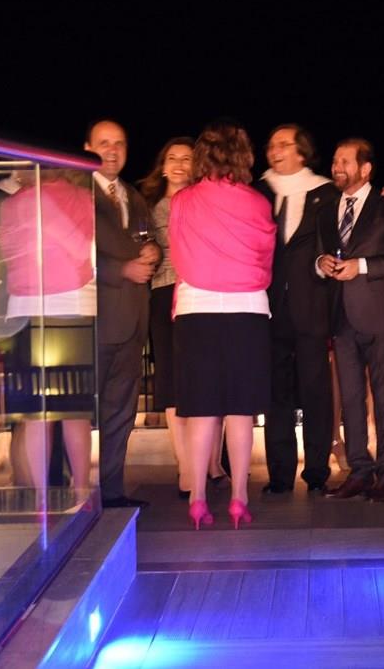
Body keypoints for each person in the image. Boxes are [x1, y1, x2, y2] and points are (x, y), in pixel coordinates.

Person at [168, 119, 275, 529]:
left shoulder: (183, 200)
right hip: (248, 309)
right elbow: (265, 258)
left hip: (197, 309)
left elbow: (179, 256)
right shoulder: (258, 202)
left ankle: (197, 499)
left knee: (202, 411)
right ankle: (239, 498)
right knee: (240, 411)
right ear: (243, 156)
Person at [317, 138, 384, 501]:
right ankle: (359, 471)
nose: (337, 167)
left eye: (345, 161)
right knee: (350, 398)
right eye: (335, 160)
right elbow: (321, 253)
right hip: (341, 317)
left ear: (365, 168)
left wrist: (360, 266)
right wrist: (320, 263)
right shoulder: (326, 209)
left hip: (382, 316)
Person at [0, 169, 97, 497]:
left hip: (25, 308)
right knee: (74, 409)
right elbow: (83, 249)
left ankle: (42, 497)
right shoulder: (85, 198)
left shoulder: (15, 203)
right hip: (73, 305)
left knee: (36, 412)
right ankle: (81, 490)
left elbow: (5, 254)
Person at [253, 124, 337, 495]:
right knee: (276, 393)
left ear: (302, 151)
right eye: (271, 145)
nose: (275, 150)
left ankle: (317, 471)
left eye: (283, 144)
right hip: (268, 306)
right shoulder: (258, 191)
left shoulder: (325, 192)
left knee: (316, 390)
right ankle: (280, 475)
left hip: (311, 304)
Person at [86, 119, 158, 509]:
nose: (112, 150)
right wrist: (121, 270)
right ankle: (72, 492)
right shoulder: (75, 194)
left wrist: (154, 251)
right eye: (104, 143)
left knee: (121, 413)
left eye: (119, 143)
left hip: (132, 321)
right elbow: (69, 255)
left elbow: (148, 240)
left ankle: (111, 490)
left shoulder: (134, 195)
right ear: (87, 148)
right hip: (93, 322)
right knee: (78, 414)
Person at [138, 136, 206, 499]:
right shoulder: (146, 207)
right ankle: (186, 466)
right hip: (165, 293)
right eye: (172, 158)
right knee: (171, 380)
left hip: (203, 295)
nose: (179, 164)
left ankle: (207, 462)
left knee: (202, 379)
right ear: (162, 167)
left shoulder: (205, 201)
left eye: (187, 158)